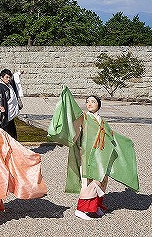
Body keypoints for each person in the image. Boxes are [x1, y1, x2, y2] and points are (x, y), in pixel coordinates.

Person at [47, 88, 139, 220]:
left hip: (102, 155)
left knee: (102, 179)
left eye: (93, 101)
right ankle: (81, 209)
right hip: (88, 154)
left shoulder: (102, 121)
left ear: (99, 105)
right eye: (87, 101)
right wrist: (67, 97)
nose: (89, 103)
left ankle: (95, 206)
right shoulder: (84, 117)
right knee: (90, 181)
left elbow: (112, 136)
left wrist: (126, 142)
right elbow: (72, 119)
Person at [0, 69, 24, 139]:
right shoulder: (0, 88)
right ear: (1, 77)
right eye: (6, 77)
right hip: (5, 116)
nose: (8, 79)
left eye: (9, 77)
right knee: (6, 135)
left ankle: (13, 148)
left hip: (10, 115)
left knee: (12, 135)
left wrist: (19, 73)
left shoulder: (9, 84)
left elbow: (14, 78)